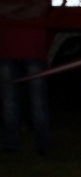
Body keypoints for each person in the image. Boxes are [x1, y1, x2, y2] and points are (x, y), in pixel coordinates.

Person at [0, 0, 49, 156]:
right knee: (9, 102)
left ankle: (42, 146)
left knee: (38, 102)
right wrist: (26, 6)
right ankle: (12, 145)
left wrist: (10, 12)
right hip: (6, 50)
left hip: (33, 50)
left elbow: (39, 10)